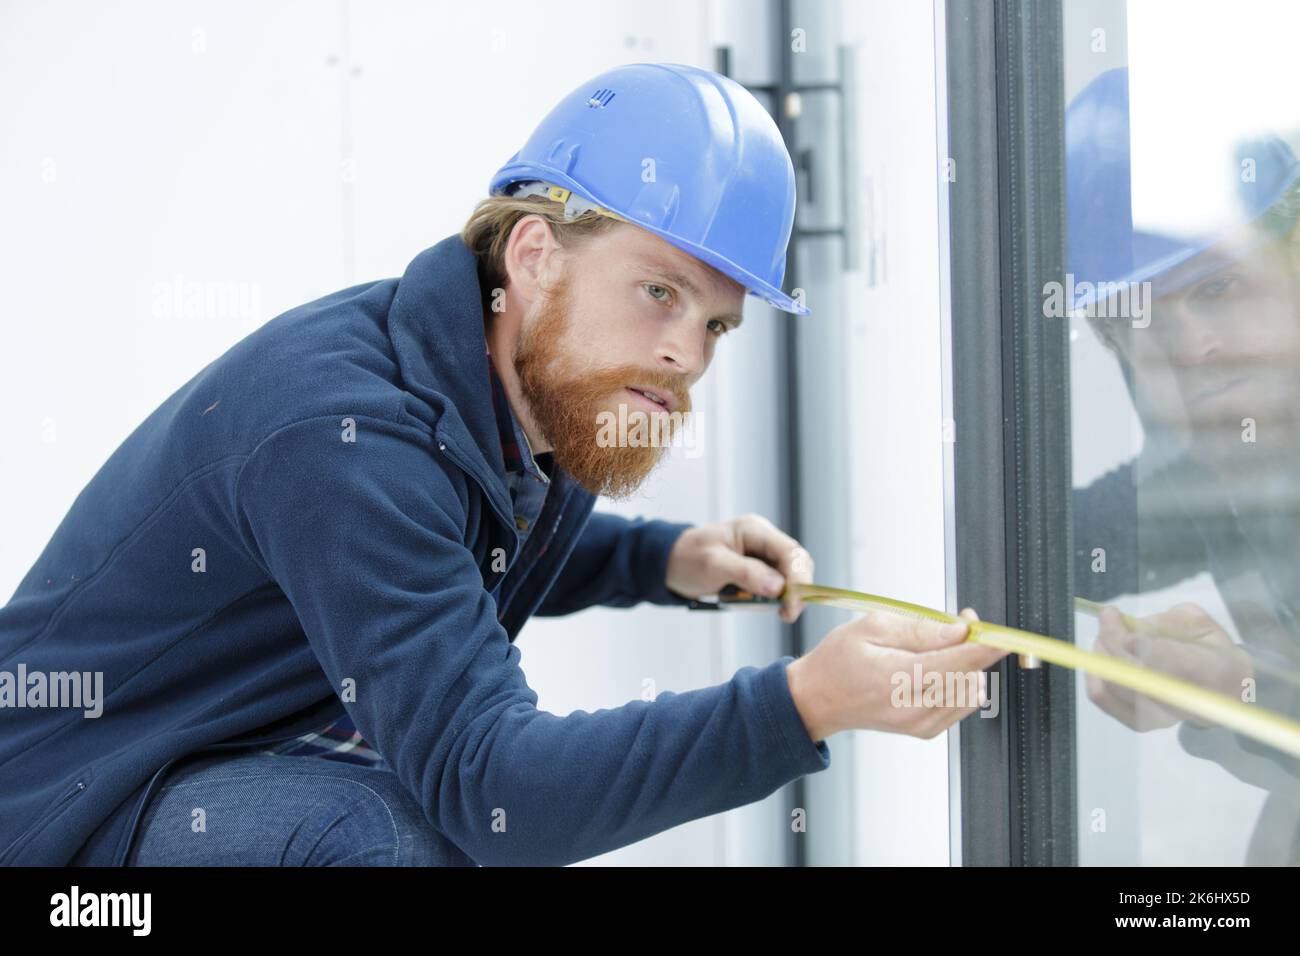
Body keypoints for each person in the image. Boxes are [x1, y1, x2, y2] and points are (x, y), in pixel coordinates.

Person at [0, 62, 1003, 867]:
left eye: (715, 325)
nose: (687, 354)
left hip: (224, 747)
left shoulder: (514, 382)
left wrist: (659, 558)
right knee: (396, 836)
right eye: (659, 292)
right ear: (533, 254)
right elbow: (501, 794)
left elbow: (441, 549)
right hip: (65, 804)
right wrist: (803, 703)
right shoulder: (344, 432)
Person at [1066, 67, 1300, 863]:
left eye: (1221, 287)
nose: (1192, 348)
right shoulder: (1224, 460)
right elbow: (1059, 540)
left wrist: (1235, 689)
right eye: (1143, 322)